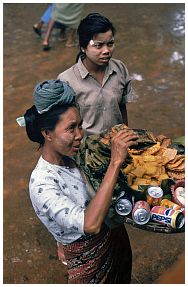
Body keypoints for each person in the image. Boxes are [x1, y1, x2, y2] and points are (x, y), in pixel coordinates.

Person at [16, 79, 138, 283]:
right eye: (71, 128)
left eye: (80, 125)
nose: (80, 135)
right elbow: (90, 224)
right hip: (88, 256)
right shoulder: (42, 184)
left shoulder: (74, 154)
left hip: (113, 235)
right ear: (47, 134)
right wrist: (115, 162)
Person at [57, 12, 135, 136]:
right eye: (98, 45)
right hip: (86, 148)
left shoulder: (120, 69)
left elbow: (121, 107)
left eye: (110, 44)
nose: (106, 51)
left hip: (117, 143)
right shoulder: (66, 80)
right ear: (83, 47)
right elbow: (64, 124)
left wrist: (125, 134)